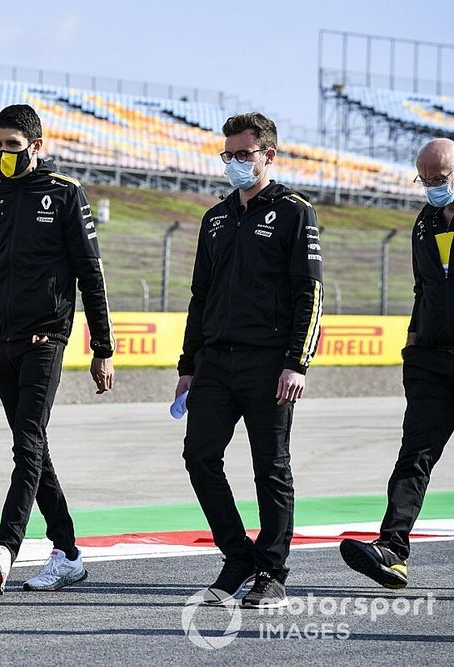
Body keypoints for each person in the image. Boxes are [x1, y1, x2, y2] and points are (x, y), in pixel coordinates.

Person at [0, 104, 115, 595]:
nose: (3, 155)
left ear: (37, 146)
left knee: (27, 441)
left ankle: (5, 546)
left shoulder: (65, 194)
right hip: (1, 343)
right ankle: (68, 554)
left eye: (12, 146)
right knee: (33, 446)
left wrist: (103, 347)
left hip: (46, 338)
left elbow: (90, 272)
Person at [177, 113, 324, 609]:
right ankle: (238, 556)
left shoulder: (294, 211)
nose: (235, 163)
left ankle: (272, 570)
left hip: (270, 363)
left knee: (271, 468)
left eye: (244, 154)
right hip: (215, 361)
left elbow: (311, 292)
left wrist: (297, 363)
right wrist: (187, 366)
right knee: (198, 456)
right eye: (229, 155)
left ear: (268, 156)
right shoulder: (214, 217)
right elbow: (200, 296)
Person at [340, 138, 454, 589]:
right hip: (430, 361)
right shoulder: (424, 222)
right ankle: (392, 549)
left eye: (439, 179)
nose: (430, 188)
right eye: (423, 179)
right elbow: (421, 288)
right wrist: (412, 347)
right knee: (414, 458)